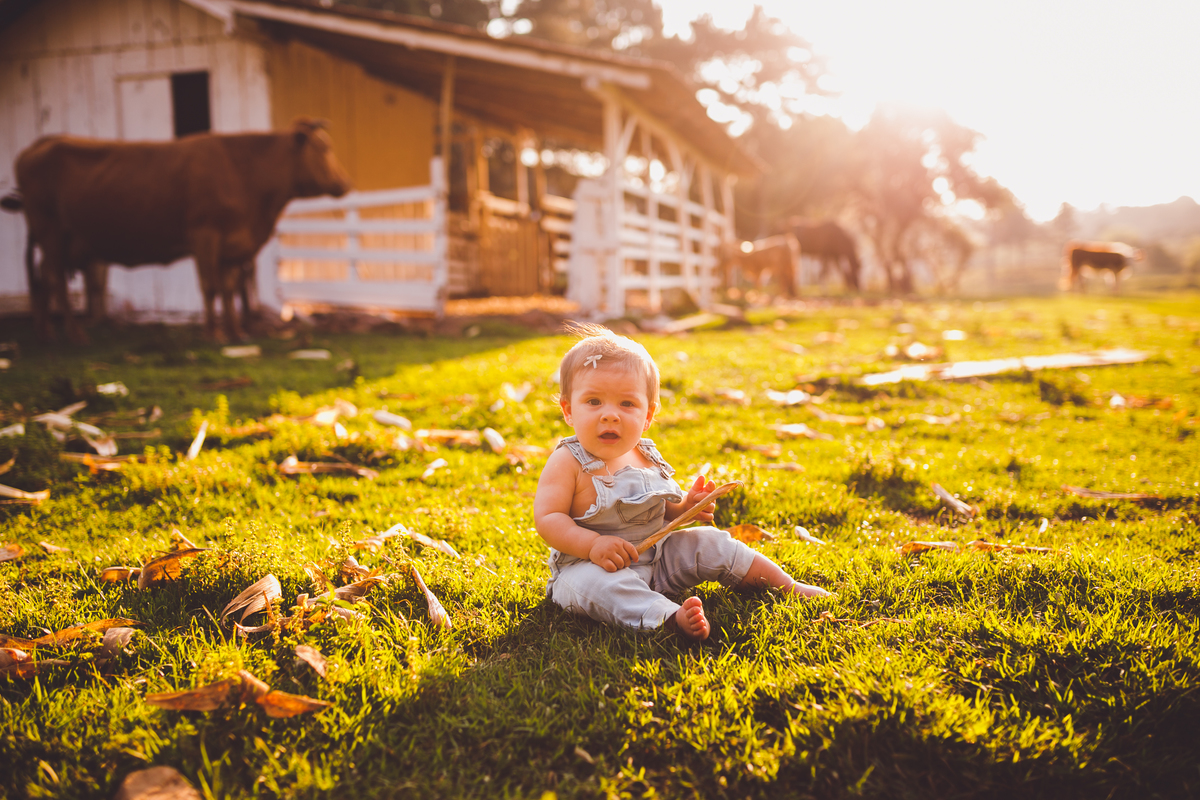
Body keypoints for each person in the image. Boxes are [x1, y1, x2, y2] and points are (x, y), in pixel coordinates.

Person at [533, 324, 830, 641]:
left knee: (711, 542)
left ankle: (785, 585)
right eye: (593, 402)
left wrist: (687, 508)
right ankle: (668, 617)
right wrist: (592, 545)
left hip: (658, 560)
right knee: (600, 586)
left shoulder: (645, 455)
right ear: (568, 410)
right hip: (586, 568)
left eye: (627, 404)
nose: (610, 415)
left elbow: (661, 510)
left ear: (648, 415)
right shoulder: (568, 462)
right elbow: (548, 519)